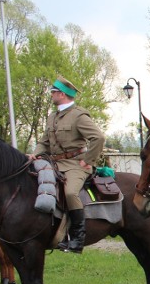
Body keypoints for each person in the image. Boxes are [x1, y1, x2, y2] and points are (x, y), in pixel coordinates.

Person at [32, 76, 105, 254]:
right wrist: (34, 155)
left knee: (70, 192)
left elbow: (99, 137)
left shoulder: (78, 115)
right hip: (54, 162)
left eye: (53, 92)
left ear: (62, 94)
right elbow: (44, 142)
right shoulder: (52, 117)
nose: (51, 95)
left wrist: (87, 160)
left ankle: (77, 239)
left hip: (75, 164)